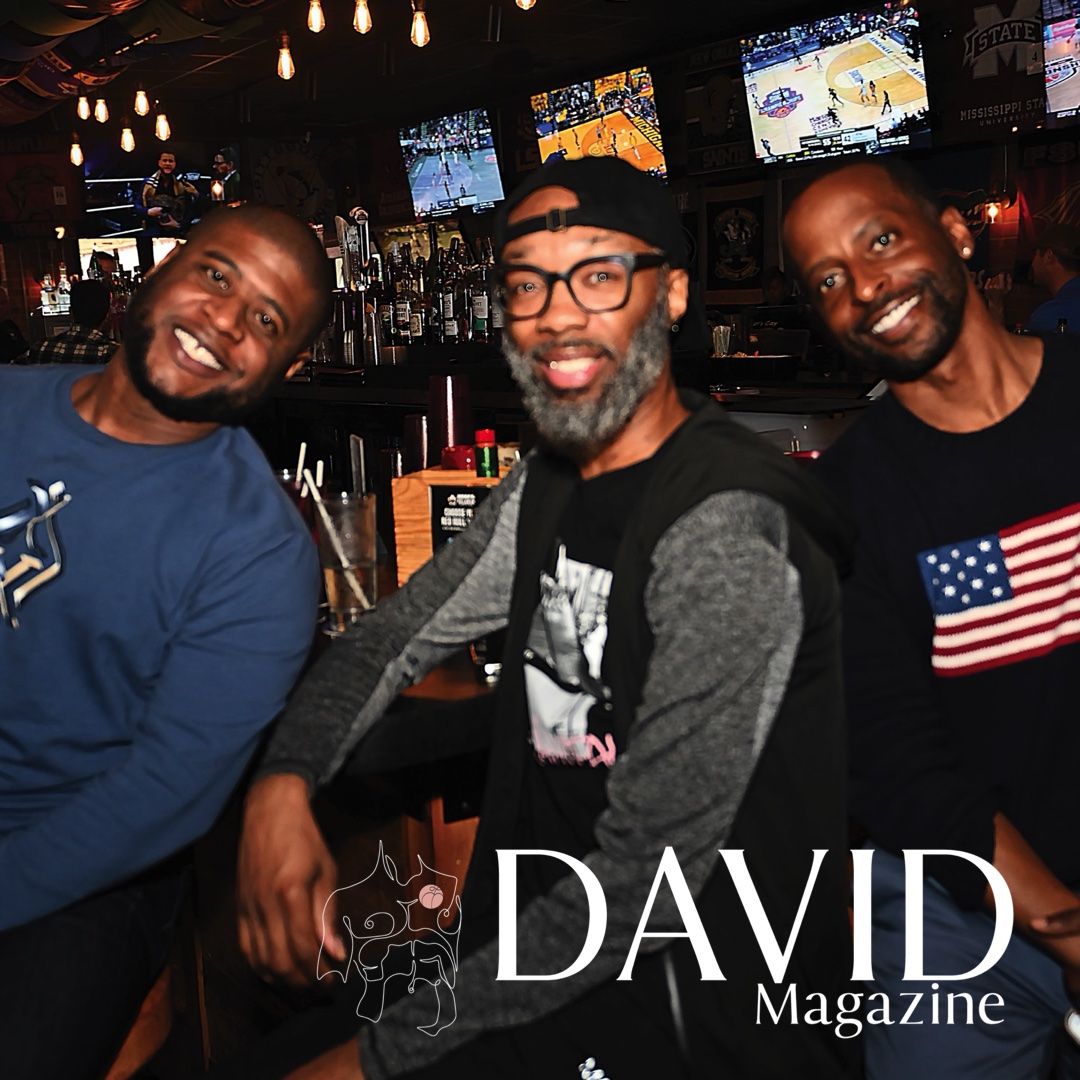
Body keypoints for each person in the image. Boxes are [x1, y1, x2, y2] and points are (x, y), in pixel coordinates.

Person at [233, 155, 859, 1079]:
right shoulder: (548, 486)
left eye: (598, 275)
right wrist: (283, 783)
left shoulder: (725, 527)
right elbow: (390, 637)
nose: (557, 314)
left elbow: (643, 882)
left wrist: (375, 1060)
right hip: (535, 968)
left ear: (671, 295)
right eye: (527, 284)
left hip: (695, 1015)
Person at [0, 205, 330, 1078]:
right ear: (158, 270)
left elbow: (160, 797)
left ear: (289, 368)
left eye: (266, 320)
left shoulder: (257, 549)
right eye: (216, 274)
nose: (224, 320)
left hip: (75, 866)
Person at [783, 158, 1080, 1079]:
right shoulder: (843, 508)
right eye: (829, 279)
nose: (866, 286)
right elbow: (905, 773)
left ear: (955, 233)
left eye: (881, 240)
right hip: (956, 906)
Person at [986, 224, 1080, 333]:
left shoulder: (1055, 312)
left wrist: (995, 303)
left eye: (1035, 254)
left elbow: (1000, 344)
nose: (1032, 263)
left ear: (1048, 256)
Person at [27, 279, 116, 364]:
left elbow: (18, 369)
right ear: (108, 314)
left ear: (70, 312)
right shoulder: (113, 354)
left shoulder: (40, 348)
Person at [135, 150, 199, 236]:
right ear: (159, 163)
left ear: (174, 164)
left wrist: (179, 225)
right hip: (154, 227)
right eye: (164, 161)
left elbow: (190, 209)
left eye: (170, 161)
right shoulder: (148, 184)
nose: (167, 163)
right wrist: (147, 211)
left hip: (176, 227)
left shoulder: (182, 184)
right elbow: (137, 205)